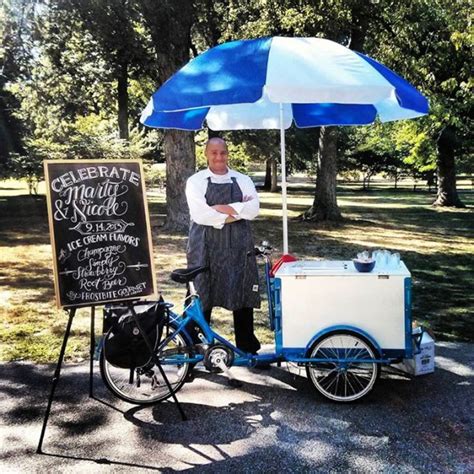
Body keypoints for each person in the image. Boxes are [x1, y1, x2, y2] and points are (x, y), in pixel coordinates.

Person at [185, 137, 261, 355]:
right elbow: (201, 215)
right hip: (204, 245)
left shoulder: (242, 179)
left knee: (242, 289)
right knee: (200, 291)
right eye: (214, 153)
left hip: (238, 244)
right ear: (206, 154)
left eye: (223, 152)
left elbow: (253, 209)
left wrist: (222, 208)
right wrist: (236, 212)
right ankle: (193, 347)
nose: (219, 157)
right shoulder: (196, 181)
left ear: (228, 153)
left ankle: (247, 346)